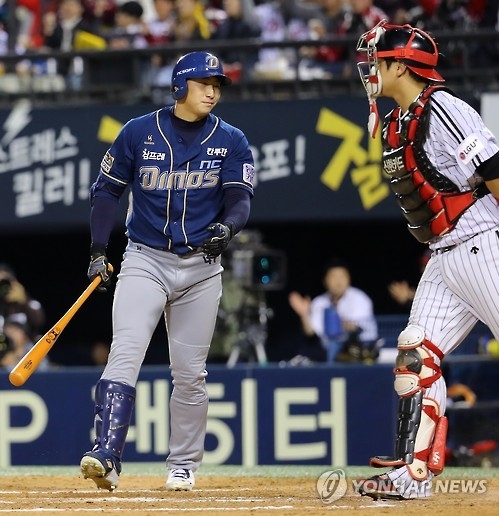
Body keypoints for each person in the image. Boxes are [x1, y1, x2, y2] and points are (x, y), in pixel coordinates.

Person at [78, 50, 255, 492]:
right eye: (204, 83)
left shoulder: (231, 138)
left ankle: (183, 463)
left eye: (218, 84)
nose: (213, 91)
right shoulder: (138, 132)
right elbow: (106, 192)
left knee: (190, 371)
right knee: (127, 351)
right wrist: (99, 250)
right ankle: (106, 454)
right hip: (146, 258)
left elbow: (239, 199)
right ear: (180, 87)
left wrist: (227, 227)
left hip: (201, 267)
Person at [355, 19, 499, 500]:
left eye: (379, 60)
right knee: (416, 359)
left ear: (402, 64)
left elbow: (494, 170)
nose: (372, 67)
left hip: (484, 244)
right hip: (444, 257)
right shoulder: (397, 119)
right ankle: (411, 479)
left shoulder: (444, 108)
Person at [288, 257, 379, 363]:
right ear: (325, 281)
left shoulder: (360, 298)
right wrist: (304, 315)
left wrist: (342, 323)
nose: (338, 281)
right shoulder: (319, 302)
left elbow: (355, 327)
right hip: (329, 351)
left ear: (349, 278)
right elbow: (312, 334)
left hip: (361, 349)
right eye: (333, 276)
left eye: (342, 276)